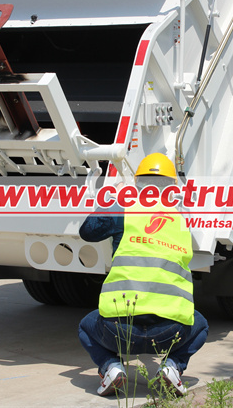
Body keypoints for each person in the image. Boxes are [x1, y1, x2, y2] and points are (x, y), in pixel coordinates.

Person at [78, 153, 209, 397]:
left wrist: (114, 199)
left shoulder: (124, 210)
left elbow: (87, 231)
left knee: (85, 327)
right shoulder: (181, 222)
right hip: (169, 332)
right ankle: (172, 367)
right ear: (172, 188)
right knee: (200, 324)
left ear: (137, 185)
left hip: (119, 329)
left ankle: (111, 368)